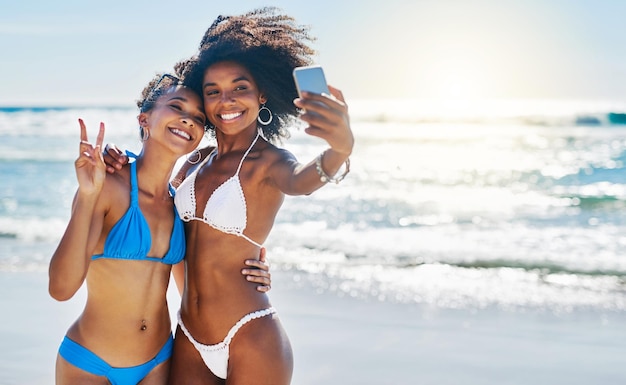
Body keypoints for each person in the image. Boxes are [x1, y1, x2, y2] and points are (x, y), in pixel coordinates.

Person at [105, 7, 353, 384]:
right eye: (213, 92)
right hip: (188, 335)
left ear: (262, 94)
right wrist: (123, 166)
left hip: (250, 334)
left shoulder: (270, 161)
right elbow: (157, 209)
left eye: (241, 87)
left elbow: (303, 180)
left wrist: (339, 151)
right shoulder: (194, 163)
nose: (228, 100)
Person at [49, 73, 271, 385]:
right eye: (177, 107)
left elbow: (195, 289)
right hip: (91, 362)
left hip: (159, 363)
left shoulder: (180, 202)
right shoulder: (107, 185)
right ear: (145, 119)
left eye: (197, 116)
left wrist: (250, 275)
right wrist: (86, 197)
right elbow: (61, 288)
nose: (188, 120)